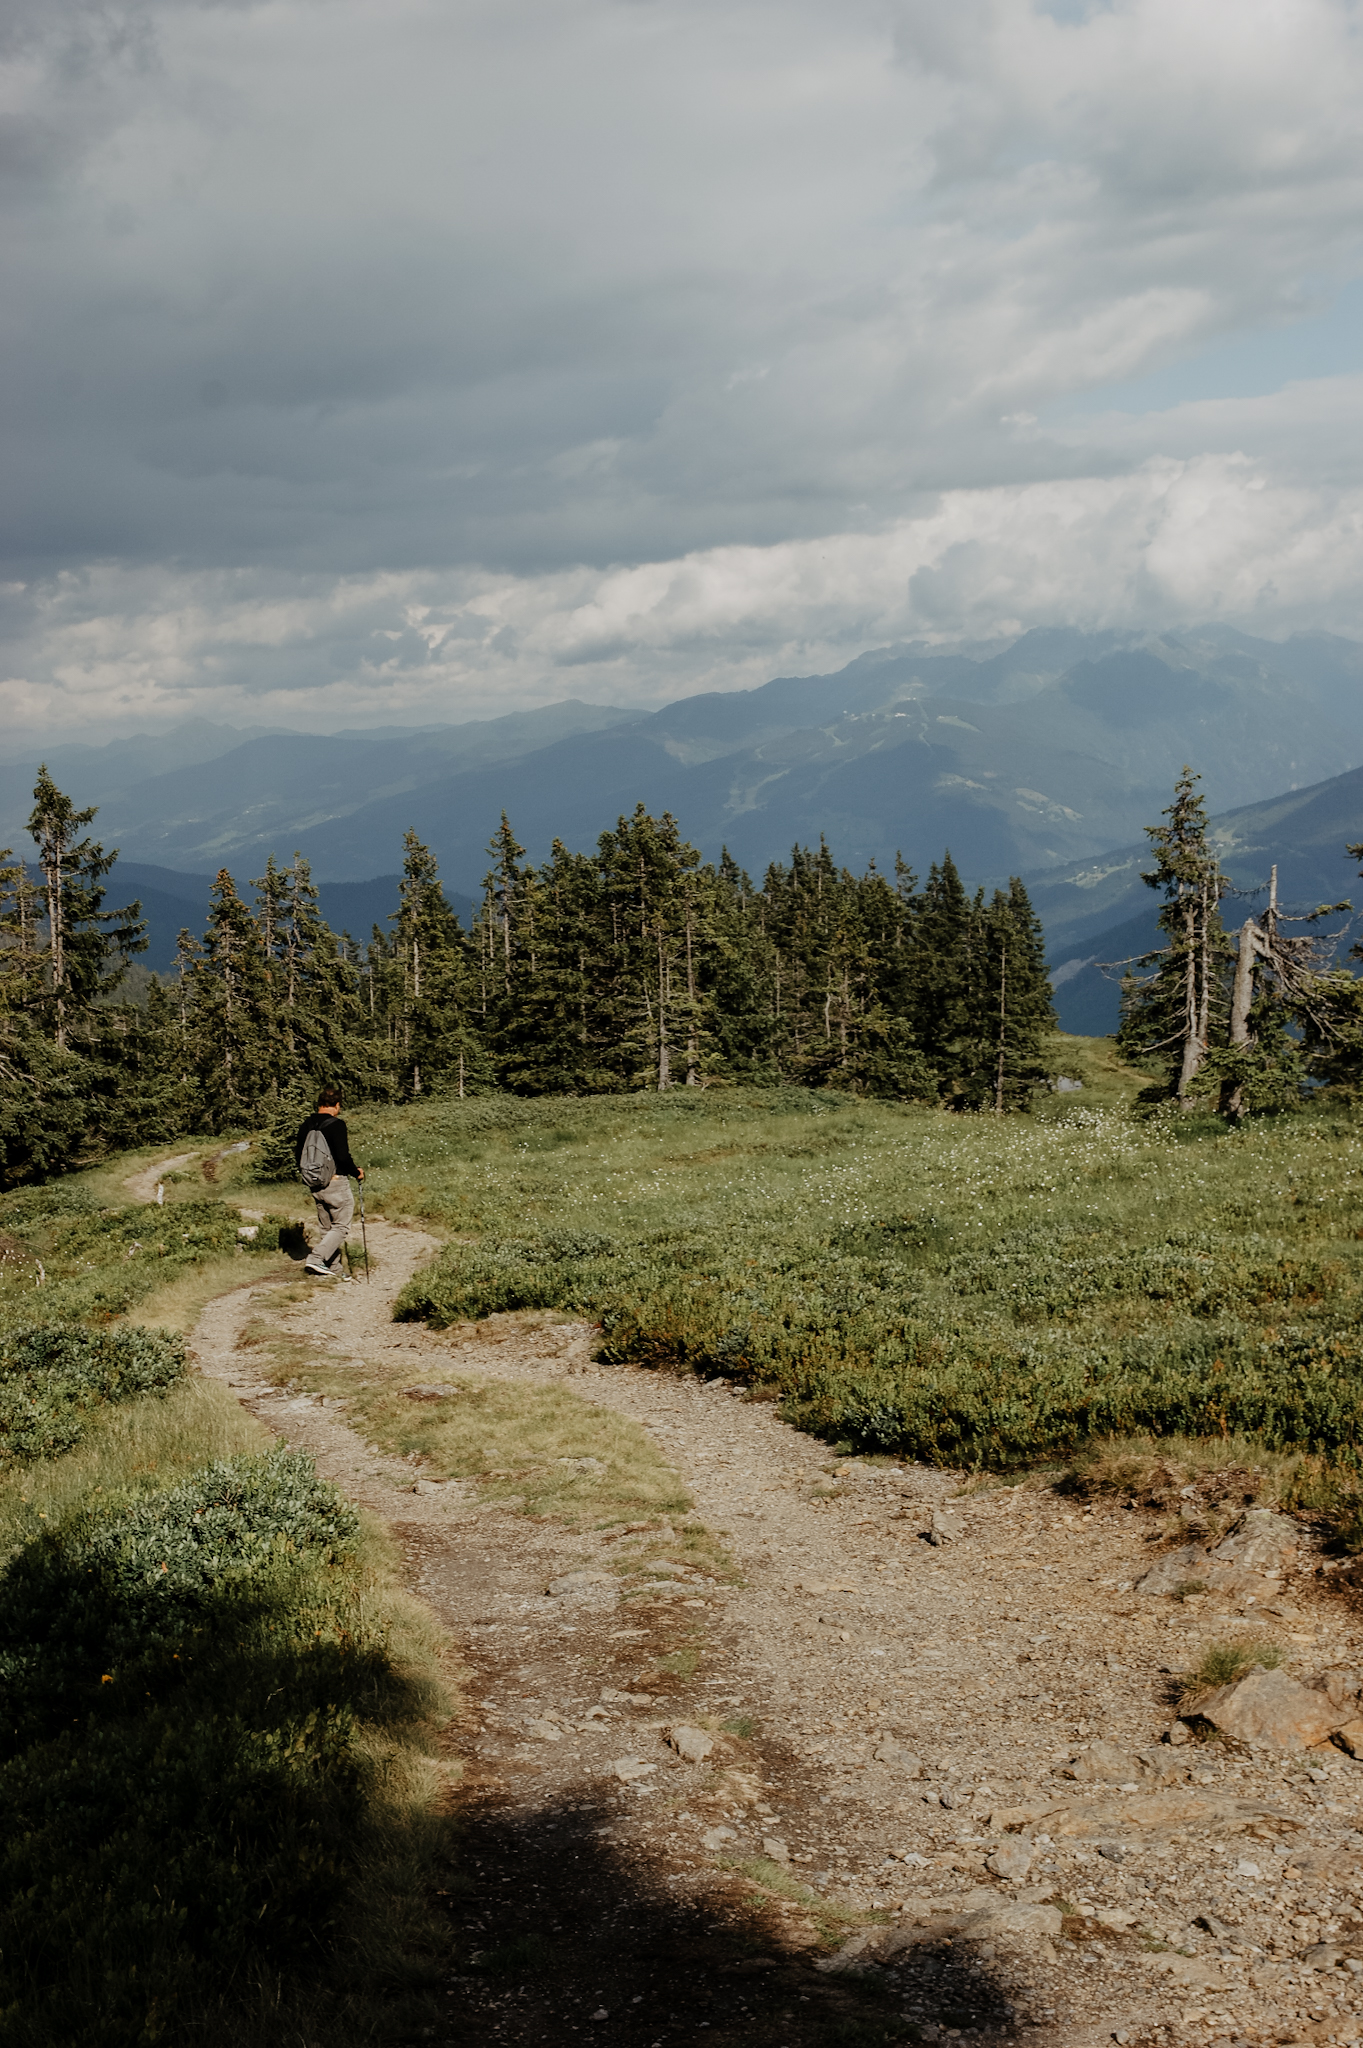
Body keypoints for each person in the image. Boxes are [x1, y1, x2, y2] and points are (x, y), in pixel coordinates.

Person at [294, 1085, 364, 1279]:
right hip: (335, 1182)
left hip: (315, 1184)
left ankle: (334, 1270)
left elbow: (298, 1155)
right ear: (337, 1105)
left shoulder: (306, 1125)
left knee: (327, 1228)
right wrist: (356, 1172)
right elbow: (342, 1156)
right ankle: (316, 1258)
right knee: (341, 1227)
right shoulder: (336, 1124)